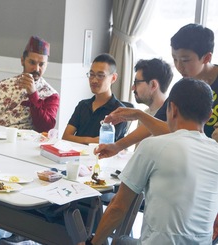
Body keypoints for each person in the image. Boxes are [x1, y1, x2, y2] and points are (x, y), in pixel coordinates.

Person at [86, 78, 218, 245]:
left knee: (119, 241)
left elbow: (118, 207)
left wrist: (92, 243)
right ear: (209, 116)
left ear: (172, 109)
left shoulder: (153, 146)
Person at [95, 23, 218, 159]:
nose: (179, 66)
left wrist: (139, 115)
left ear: (207, 58)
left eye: (185, 60)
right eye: (175, 59)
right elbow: (161, 125)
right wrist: (118, 146)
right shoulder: (184, 86)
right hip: (191, 159)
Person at [0, 36, 59, 133]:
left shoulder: (51, 95)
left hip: (25, 143)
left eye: (41, 64)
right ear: (22, 61)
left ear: (46, 65)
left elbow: (45, 127)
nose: (36, 69)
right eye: (32, 62)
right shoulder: (3, 85)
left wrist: (33, 94)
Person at [62, 53, 127, 144]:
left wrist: (77, 139)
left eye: (100, 76)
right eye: (91, 74)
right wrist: (90, 140)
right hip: (75, 155)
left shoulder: (119, 112)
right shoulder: (83, 105)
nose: (94, 80)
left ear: (113, 78)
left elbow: (107, 145)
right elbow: (65, 137)